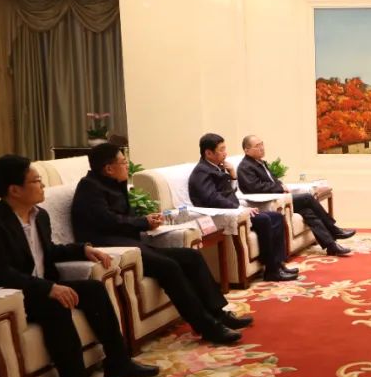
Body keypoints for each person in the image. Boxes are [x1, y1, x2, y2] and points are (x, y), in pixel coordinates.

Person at [0, 154, 159, 377]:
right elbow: (0, 273)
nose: (42, 186)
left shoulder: (40, 216)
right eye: (36, 181)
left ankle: (118, 362)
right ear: (14, 190)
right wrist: (48, 288)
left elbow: (48, 251)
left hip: (44, 285)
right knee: (56, 305)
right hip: (18, 294)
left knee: (94, 289)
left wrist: (83, 250)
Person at [71, 143, 246, 345]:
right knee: (169, 266)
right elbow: (108, 221)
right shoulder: (89, 188)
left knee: (191, 256)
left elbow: (122, 218)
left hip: (132, 244)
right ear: (109, 168)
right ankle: (208, 327)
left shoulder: (113, 183)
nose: (127, 166)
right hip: (113, 248)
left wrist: (147, 220)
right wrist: (142, 222)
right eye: (124, 162)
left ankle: (218, 314)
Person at [188, 133, 298, 282]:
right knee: (264, 220)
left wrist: (232, 175)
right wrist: (239, 209)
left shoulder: (217, 167)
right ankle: (271, 270)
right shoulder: (202, 172)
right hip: (222, 215)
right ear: (208, 153)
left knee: (276, 216)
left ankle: (278, 264)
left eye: (225, 148)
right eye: (221, 149)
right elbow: (213, 199)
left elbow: (229, 193)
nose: (225, 153)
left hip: (233, 209)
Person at [236, 135, 356, 257]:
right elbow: (255, 187)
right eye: (257, 146)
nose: (262, 148)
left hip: (279, 198)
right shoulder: (245, 167)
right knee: (307, 198)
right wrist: (280, 188)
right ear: (247, 150)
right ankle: (334, 230)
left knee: (308, 211)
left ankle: (331, 246)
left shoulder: (259, 163)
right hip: (267, 203)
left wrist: (281, 185)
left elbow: (272, 181)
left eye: (262, 144)